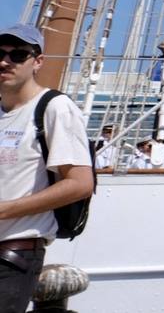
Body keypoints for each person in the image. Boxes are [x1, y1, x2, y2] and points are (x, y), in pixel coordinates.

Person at [0, 23, 95, 313]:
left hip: (11, 257)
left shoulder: (54, 107)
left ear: (37, 62)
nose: (5, 61)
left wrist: (4, 210)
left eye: (18, 55)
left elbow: (80, 183)